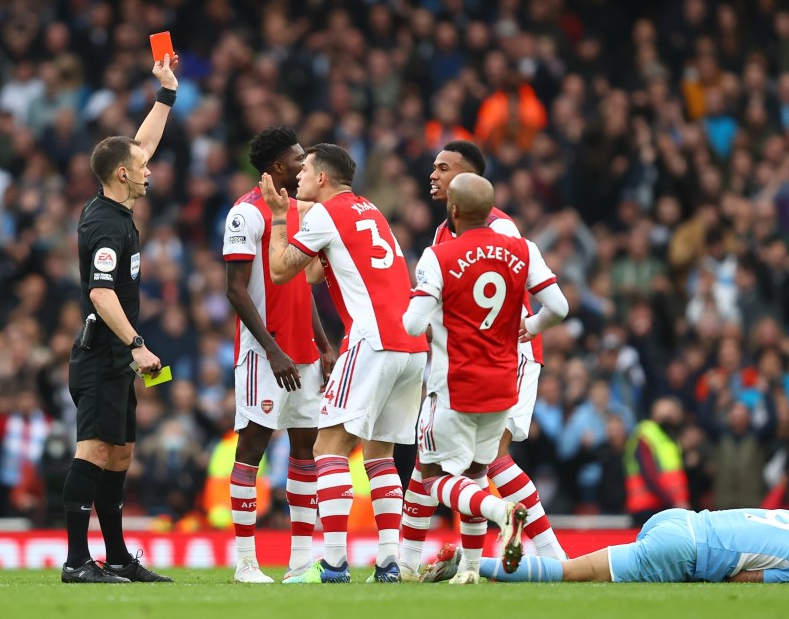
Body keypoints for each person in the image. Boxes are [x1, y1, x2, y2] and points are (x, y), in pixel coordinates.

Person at [260, 143, 428, 584]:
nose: (297, 178)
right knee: (381, 454)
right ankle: (389, 564)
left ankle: (333, 564)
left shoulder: (324, 214)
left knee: (326, 448)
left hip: (371, 341)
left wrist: (281, 218)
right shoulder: (370, 210)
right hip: (412, 348)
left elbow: (280, 271)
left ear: (322, 179)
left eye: (305, 171)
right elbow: (318, 272)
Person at [400, 140, 566, 582]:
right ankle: (409, 564)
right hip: (468, 359)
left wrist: (527, 333)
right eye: (433, 167)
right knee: (450, 464)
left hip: (503, 355)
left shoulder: (503, 232)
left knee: (488, 461)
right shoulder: (442, 234)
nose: (433, 175)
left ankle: (556, 559)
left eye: (444, 168)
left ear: (469, 177)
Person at [60, 54, 178, 584]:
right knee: (95, 450)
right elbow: (100, 293)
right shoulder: (107, 227)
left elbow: (144, 143)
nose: (151, 166)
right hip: (103, 352)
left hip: (115, 354)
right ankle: (75, 561)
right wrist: (136, 343)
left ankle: (117, 557)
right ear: (123, 174)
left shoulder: (117, 202)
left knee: (122, 452)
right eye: (142, 164)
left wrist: (166, 93)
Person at [221, 126, 337, 583]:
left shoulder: (297, 213)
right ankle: (246, 562)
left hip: (304, 353)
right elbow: (234, 290)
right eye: (297, 159)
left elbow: (300, 286)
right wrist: (271, 351)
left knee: (305, 449)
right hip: (262, 354)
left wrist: (323, 345)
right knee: (252, 447)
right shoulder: (245, 214)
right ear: (275, 168)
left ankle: (300, 561)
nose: (304, 164)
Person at [426, 508, 789, 585]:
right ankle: (471, 565)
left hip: (679, 519)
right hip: (685, 551)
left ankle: (464, 559)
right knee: (573, 572)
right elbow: (742, 577)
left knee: (580, 567)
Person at [625, 397, 690, 526]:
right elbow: (649, 474)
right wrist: (672, 502)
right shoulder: (646, 434)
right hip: (649, 507)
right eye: (671, 411)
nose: (676, 415)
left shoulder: (668, 437)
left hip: (664, 506)